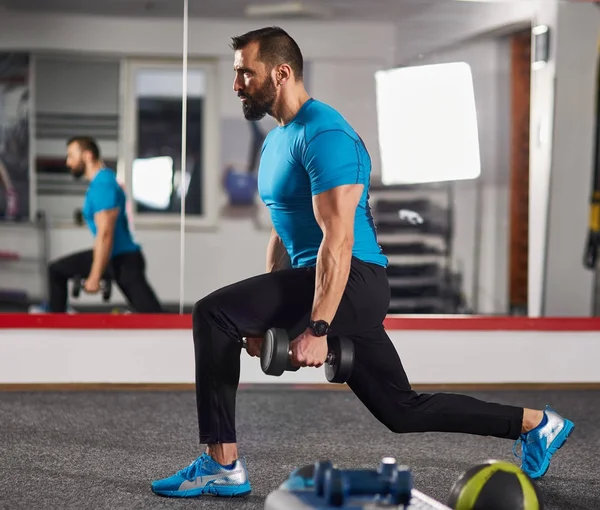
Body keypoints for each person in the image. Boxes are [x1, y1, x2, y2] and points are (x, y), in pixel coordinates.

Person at [151, 27, 574, 498]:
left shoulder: (327, 134)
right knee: (402, 410)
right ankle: (537, 424)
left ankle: (221, 464)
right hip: (319, 281)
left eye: (245, 73)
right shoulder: (275, 142)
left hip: (354, 281)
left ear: (281, 72)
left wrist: (317, 327)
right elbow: (282, 231)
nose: (237, 84)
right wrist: (264, 317)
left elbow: (339, 241)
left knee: (211, 312)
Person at [47, 136, 163, 313]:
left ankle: (54, 326)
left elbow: (106, 232)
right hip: (116, 257)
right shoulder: (100, 183)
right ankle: (56, 323)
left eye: (71, 156)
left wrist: (95, 275)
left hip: (123, 259)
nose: (68, 162)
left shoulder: (103, 183)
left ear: (87, 155)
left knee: (155, 317)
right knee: (56, 270)